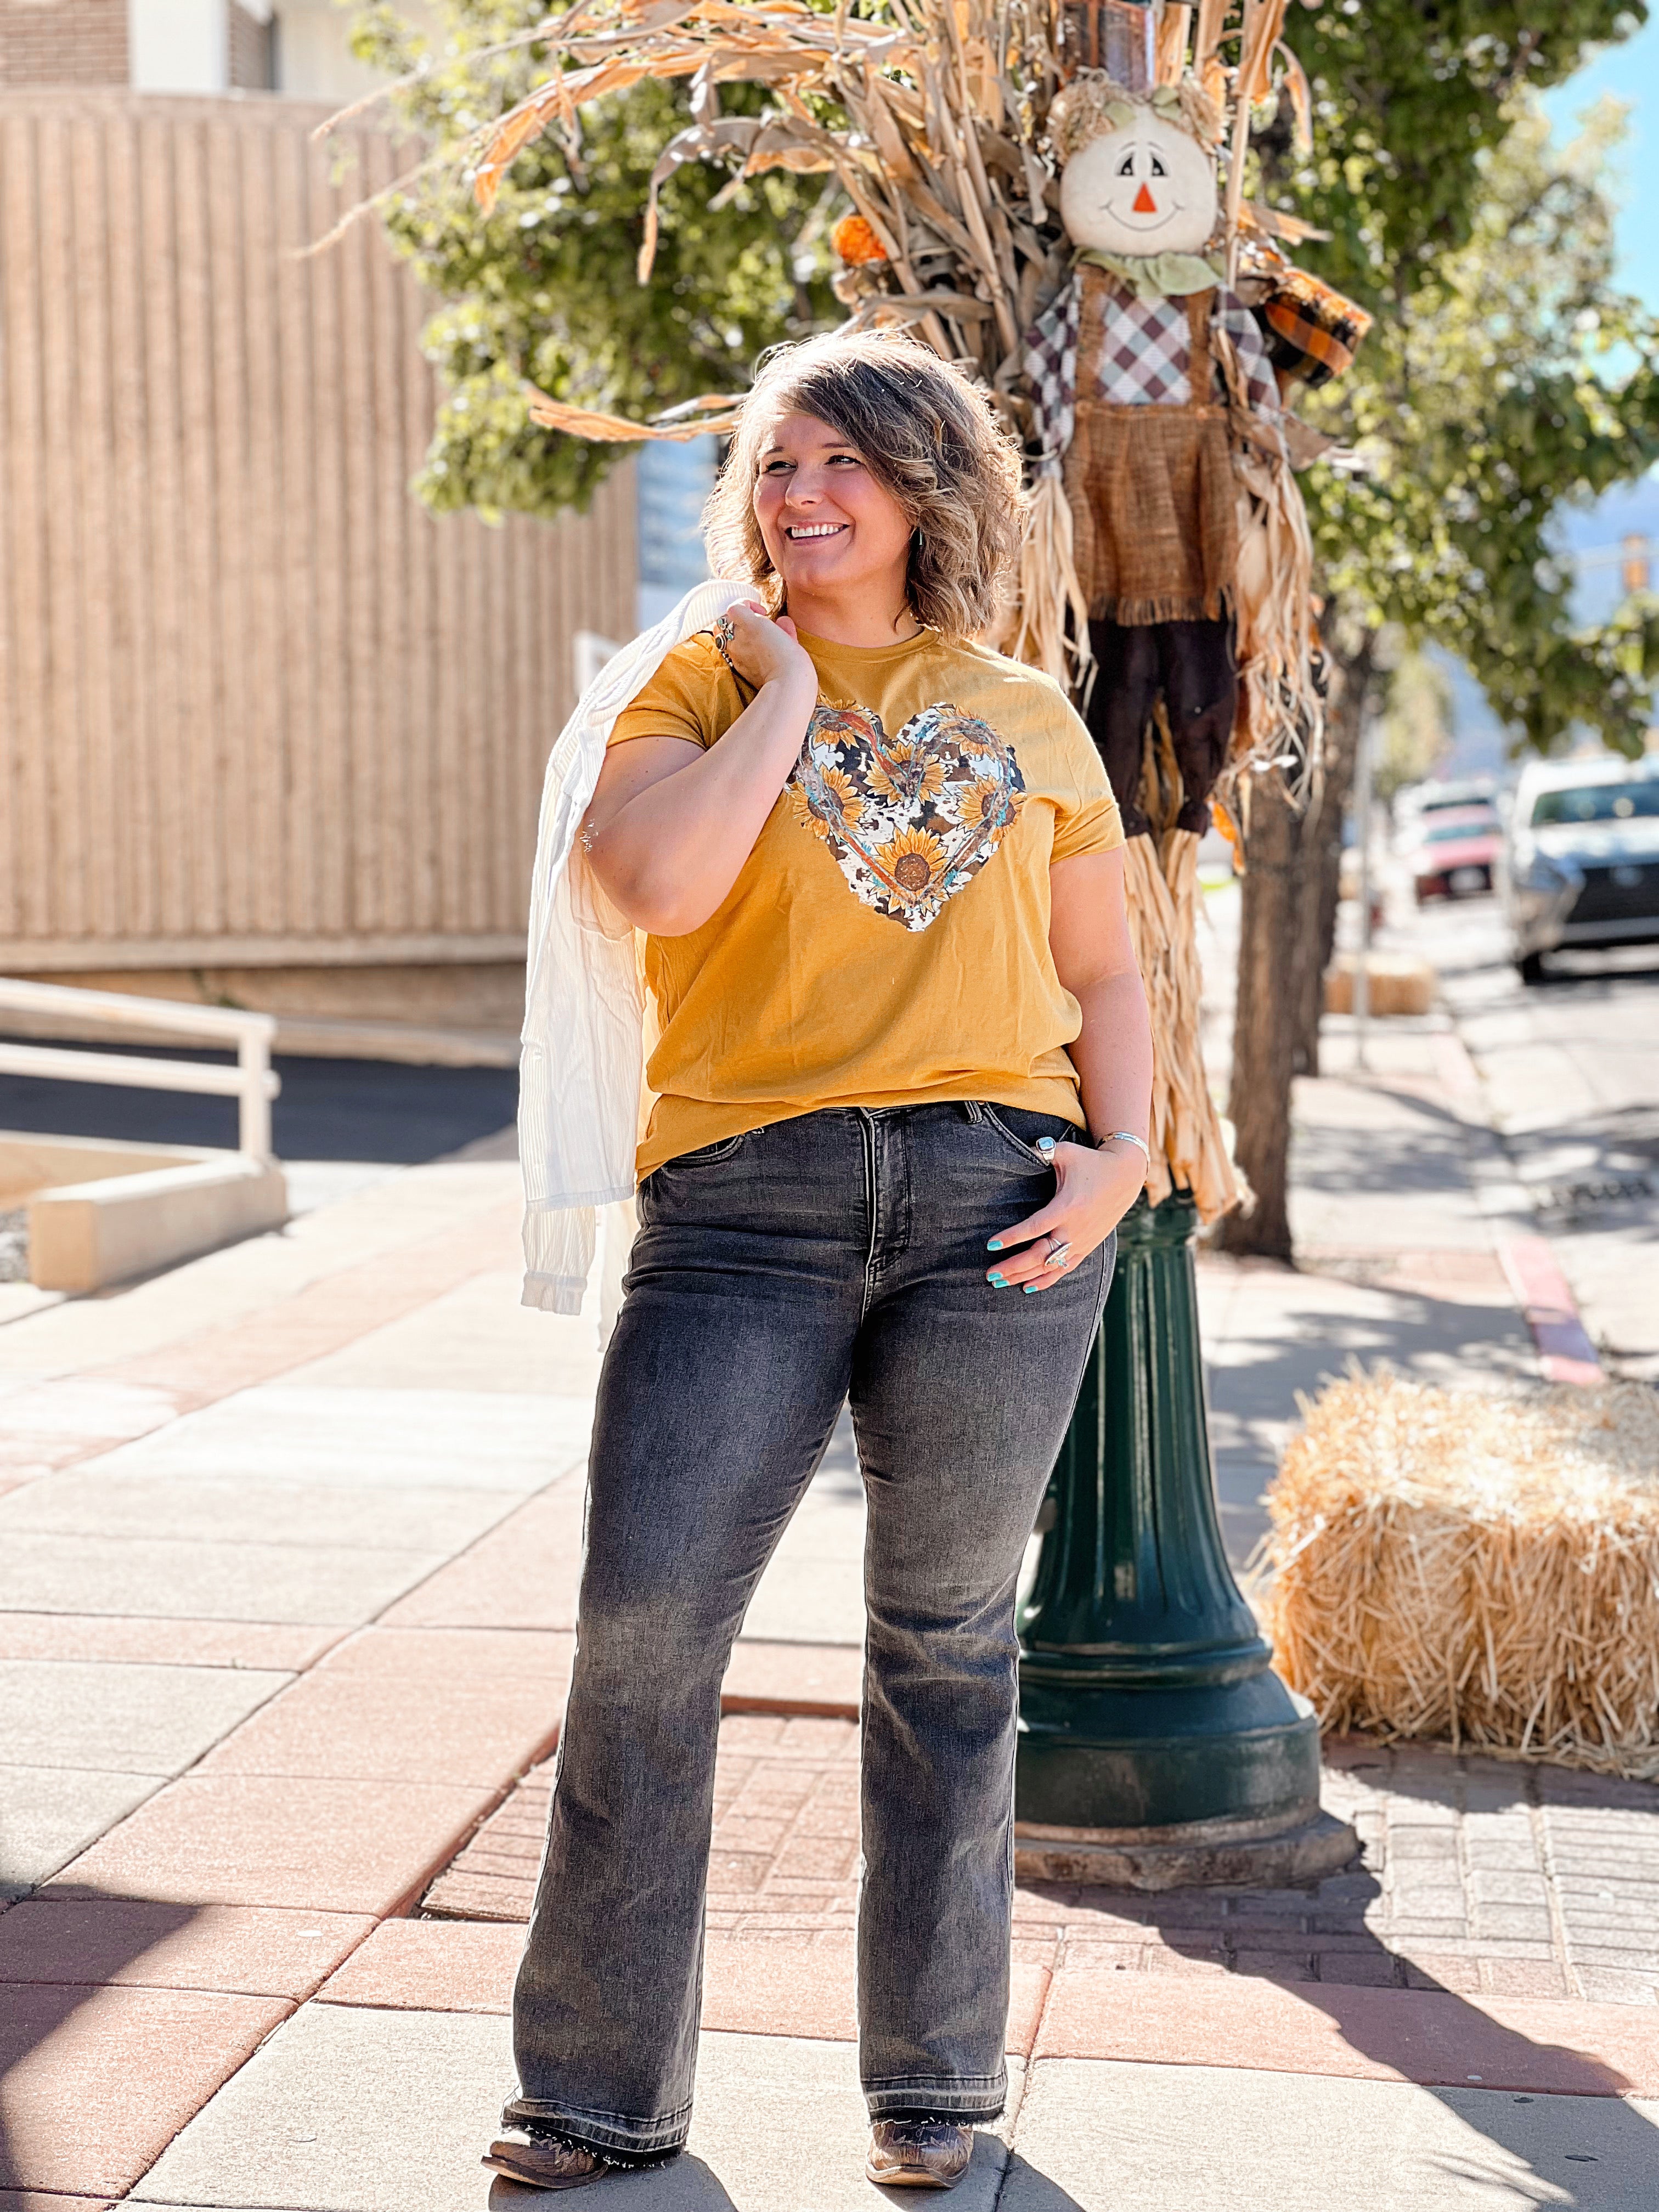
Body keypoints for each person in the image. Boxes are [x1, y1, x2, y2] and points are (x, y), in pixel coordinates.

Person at [486, 329, 1153, 2196]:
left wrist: (1127, 1163)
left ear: (926, 488)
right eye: (779, 464)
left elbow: (1104, 972)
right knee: (644, 1635)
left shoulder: (1024, 711)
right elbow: (659, 890)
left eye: (846, 462)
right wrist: (778, 682)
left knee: (946, 1650)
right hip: (740, 1211)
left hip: (997, 1206)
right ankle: (599, 2092)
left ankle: (934, 2093)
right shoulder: (680, 682)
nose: (804, 496)